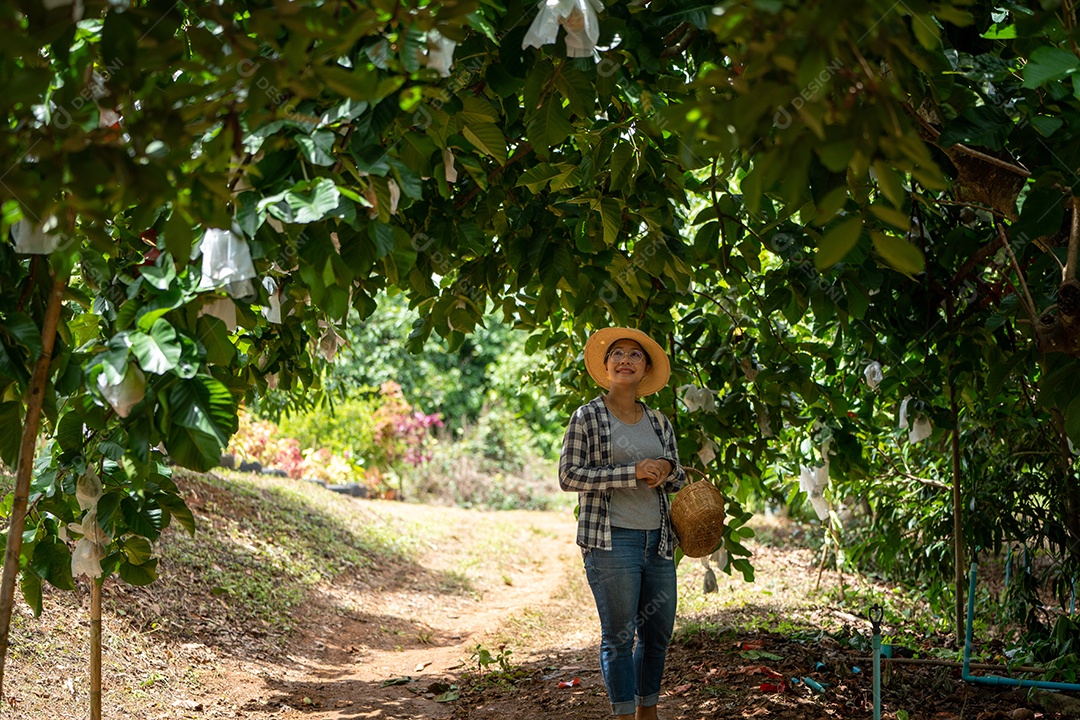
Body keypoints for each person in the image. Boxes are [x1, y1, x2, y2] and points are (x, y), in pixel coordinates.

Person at [559, 327, 685, 720]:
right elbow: (569, 476)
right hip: (612, 541)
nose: (626, 360)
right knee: (619, 637)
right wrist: (630, 472)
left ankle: (648, 712)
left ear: (645, 368)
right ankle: (624, 715)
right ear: (607, 365)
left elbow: (679, 476)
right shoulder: (587, 417)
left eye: (635, 355)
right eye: (618, 354)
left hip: (659, 541)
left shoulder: (659, 422)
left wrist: (665, 468)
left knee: (658, 635)